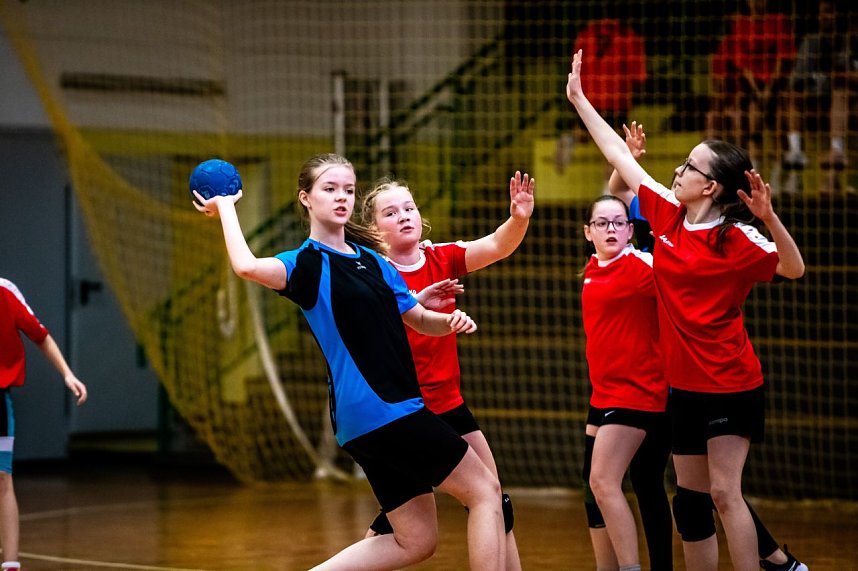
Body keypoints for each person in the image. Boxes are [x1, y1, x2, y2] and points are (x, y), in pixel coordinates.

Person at [193, 153, 506, 571]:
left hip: (367, 422)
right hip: (386, 409)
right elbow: (246, 266)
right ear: (305, 198)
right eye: (329, 188)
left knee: (417, 540)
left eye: (348, 189)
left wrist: (447, 321)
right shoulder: (305, 264)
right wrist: (227, 207)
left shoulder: (374, 260)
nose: (341, 197)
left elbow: (416, 319)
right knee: (484, 490)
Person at [567, 49, 807, 571]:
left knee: (725, 494)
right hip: (683, 388)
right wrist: (581, 100)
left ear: (712, 186)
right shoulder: (667, 216)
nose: (678, 169)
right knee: (691, 501)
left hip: (730, 383)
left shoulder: (736, 236)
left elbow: (794, 268)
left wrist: (770, 218)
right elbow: (619, 156)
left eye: (690, 166)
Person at [359, 171, 535, 570]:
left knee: (491, 496)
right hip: (404, 412)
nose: (404, 216)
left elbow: (495, 245)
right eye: (391, 212)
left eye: (409, 207)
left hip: (448, 405)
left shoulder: (440, 256)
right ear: (374, 228)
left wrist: (518, 219)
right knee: (418, 515)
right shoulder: (371, 272)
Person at [579, 194, 673, 571]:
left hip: (639, 393)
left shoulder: (642, 265)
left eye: (619, 222)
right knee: (592, 486)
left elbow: (682, 279)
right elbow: (611, 189)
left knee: (603, 481)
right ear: (588, 232)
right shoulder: (593, 265)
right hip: (603, 394)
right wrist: (623, 165)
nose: (611, 229)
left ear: (631, 230)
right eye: (602, 223)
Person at [0, 278, 88, 571]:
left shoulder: (6, 292)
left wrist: (67, 373)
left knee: (3, 478)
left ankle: (11, 564)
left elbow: (40, 335)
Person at [555, 17, 647, 182]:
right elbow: (638, 76)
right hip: (616, 100)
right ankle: (609, 187)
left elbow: (575, 68)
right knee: (616, 147)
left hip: (588, 99)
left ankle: (571, 137)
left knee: (583, 134)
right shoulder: (628, 36)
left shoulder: (586, 34)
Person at [707, 0, 797, 167]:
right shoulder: (735, 35)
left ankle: (791, 159)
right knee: (748, 123)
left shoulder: (778, 21)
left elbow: (782, 61)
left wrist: (768, 90)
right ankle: (740, 168)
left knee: (779, 121)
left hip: (774, 91)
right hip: (752, 95)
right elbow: (725, 83)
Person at [782, 0, 855, 192]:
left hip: (845, 102)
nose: (826, 17)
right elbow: (796, 81)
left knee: (841, 94)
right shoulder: (811, 42)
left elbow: (845, 77)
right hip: (815, 100)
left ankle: (836, 152)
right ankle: (795, 154)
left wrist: (843, 76)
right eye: (823, 12)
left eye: (830, 12)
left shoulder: (847, 41)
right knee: (790, 97)